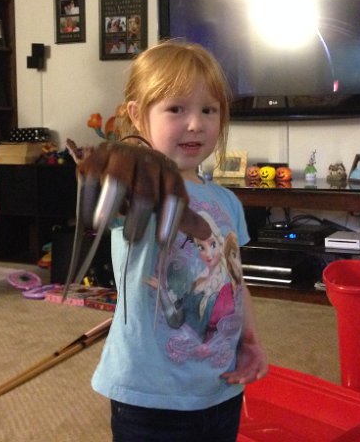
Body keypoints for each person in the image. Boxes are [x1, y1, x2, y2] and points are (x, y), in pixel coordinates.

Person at [81, 41, 268, 441]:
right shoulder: (142, 187)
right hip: (150, 397)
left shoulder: (227, 202)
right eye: (176, 109)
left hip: (220, 387)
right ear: (137, 115)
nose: (196, 124)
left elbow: (236, 281)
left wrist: (249, 339)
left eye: (209, 110)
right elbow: (112, 197)